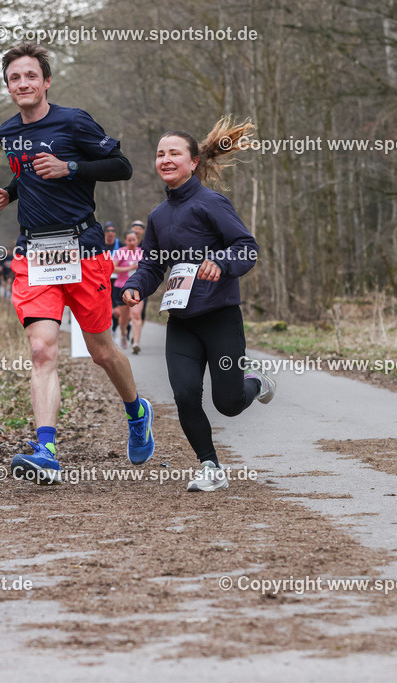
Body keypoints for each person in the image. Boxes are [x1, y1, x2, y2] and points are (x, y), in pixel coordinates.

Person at [0, 42, 154, 484]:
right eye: (14, 78)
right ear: (8, 87)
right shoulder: (8, 132)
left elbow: (122, 166)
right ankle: (46, 449)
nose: (23, 83)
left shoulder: (73, 120)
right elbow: (27, 173)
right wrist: (9, 192)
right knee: (42, 350)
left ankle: (137, 411)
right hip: (35, 254)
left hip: (84, 251)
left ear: (46, 82)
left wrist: (71, 167)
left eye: (30, 76)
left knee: (101, 351)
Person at [122, 117, 275, 493]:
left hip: (220, 317)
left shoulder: (211, 202)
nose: (166, 159)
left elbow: (246, 247)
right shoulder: (158, 216)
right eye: (160, 154)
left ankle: (256, 381)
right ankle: (211, 467)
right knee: (185, 395)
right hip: (182, 320)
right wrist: (135, 287)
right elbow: (153, 264)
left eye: (174, 153)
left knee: (229, 403)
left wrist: (220, 262)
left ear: (193, 162)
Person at [112, 231, 144, 353]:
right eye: (129, 240)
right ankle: (124, 334)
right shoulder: (121, 252)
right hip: (121, 287)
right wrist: (129, 268)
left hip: (138, 288)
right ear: (125, 241)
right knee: (123, 318)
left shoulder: (142, 252)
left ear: (137, 240)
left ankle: (136, 343)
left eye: (134, 240)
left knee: (135, 315)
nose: (132, 242)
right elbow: (113, 268)